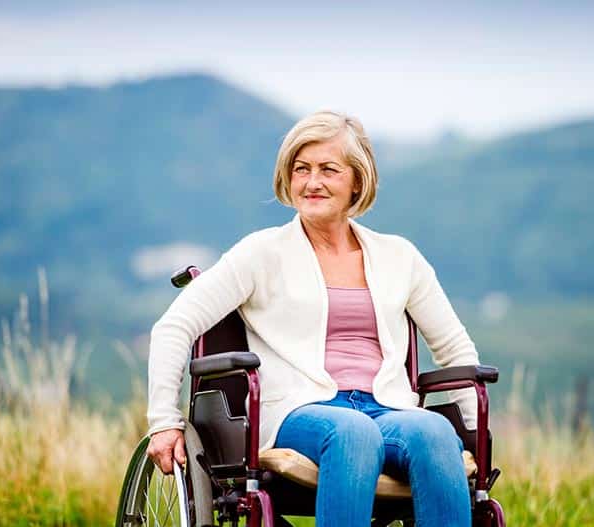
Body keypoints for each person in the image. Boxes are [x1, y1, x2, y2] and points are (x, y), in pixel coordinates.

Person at [146, 110, 479, 527]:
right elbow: (174, 326)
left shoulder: (400, 257)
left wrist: (475, 432)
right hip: (300, 412)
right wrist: (163, 421)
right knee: (353, 433)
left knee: (434, 434)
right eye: (301, 169)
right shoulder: (261, 252)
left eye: (328, 169)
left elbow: (454, 348)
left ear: (357, 180)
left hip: (388, 410)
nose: (312, 181)